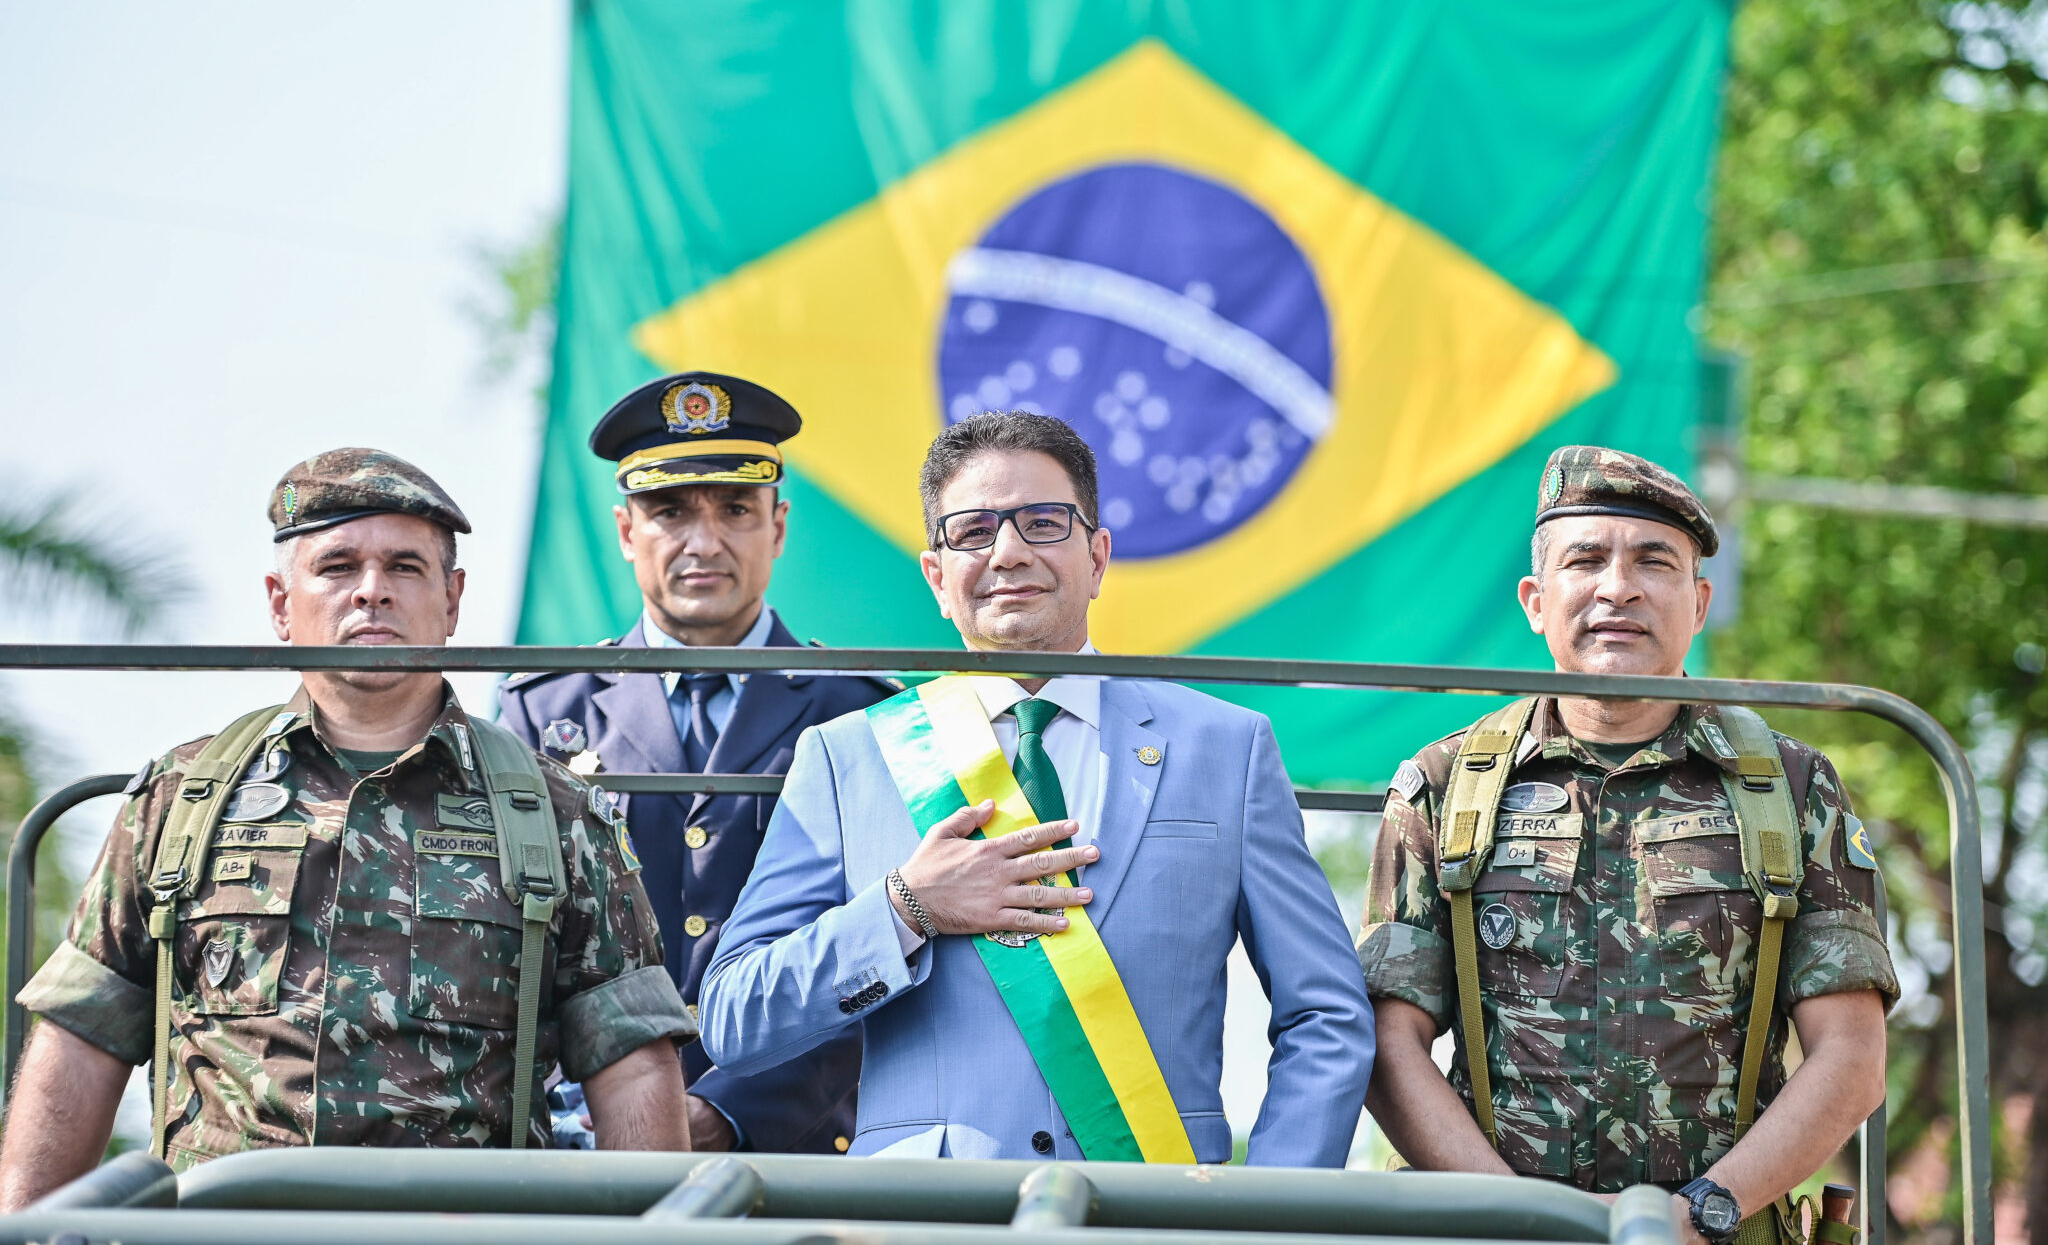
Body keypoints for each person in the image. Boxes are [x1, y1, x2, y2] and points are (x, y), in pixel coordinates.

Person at [0, 449, 693, 1206]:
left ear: (452, 600)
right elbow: (81, 1036)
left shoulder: (555, 816)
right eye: (337, 566)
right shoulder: (181, 801)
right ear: (279, 600)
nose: (372, 592)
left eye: (404, 567)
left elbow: (631, 1061)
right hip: (222, 1231)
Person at [699, 411, 1373, 1165]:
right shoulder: (848, 755)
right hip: (925, 1224)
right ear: (937, 577)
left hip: (1159, 1217)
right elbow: (734, 1018)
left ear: (1098, 555)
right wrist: (905, 908)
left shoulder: (1226, 748)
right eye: (974, 531)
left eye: (1044, 523)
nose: (1009, 553)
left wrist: (1270, 1207)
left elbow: (1327, 1015)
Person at [1358, 446, 1896, 1244]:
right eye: (1586, 560)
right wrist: (1515, 1216)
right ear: (1537, 601)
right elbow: (1385, 1046)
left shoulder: (1791, 787)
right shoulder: (1443, 788)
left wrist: (1704, 1212)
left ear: (1700, 601)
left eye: (1655, 561)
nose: (1619, 588)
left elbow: (1852, 1056)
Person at [501, 372, 892, 1154]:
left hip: (797, 1149)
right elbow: (519, 948)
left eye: (735, 511)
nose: (702, 542)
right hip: (586, 1143)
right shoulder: (543, 709)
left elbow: (888, 945)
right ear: (624, 531)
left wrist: (733, 1111)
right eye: (670, 512)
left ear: (778, 527)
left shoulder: (864, 710)